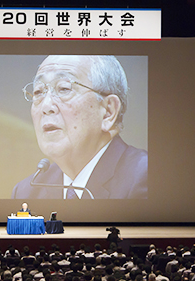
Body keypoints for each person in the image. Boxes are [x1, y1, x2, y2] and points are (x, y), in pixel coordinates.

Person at [12, 55, 147, 200]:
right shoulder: (27, 192)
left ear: (108, 112)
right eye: (38, 92)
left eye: (64, 88)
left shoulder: (146, 177)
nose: (46, 106)